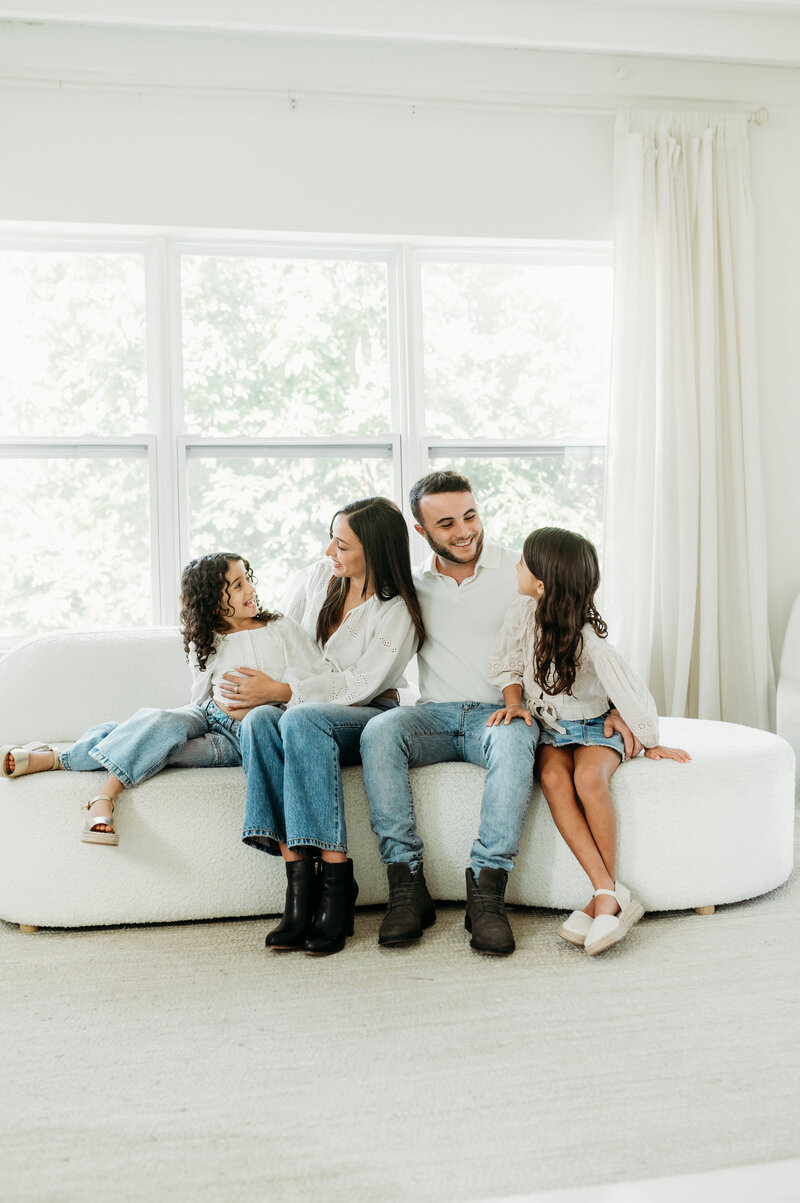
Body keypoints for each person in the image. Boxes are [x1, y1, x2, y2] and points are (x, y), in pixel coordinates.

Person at [360, 470, 638, 957]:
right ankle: (406, 886)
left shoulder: (524, 571)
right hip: (435, 716)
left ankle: (487, 894)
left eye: (470, 515)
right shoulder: (410, 586)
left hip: (501, 716)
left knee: (514, 738)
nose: (464, 531)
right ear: (422, 532)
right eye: (446, 524)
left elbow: (585, 637)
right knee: (380, 731)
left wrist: (617, 708)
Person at [0, 553, 330, 846]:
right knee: (160, 724)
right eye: (238, 585)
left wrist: (275, 689)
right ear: (214, 602)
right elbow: (201, 692)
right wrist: (187, 722)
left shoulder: (280, 628)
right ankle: (104, 797)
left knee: (164, 748)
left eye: (248, 580)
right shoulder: (208, 639)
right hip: (208, 714)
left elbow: (319, 675)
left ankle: (59, 758)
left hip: (244, 739)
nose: (251, 590)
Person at [219, 496, 425, 957]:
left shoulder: (398, 611)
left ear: (374, 550)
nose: (331, 550)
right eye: (332, 538)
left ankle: (335, 884)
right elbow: (278, 633)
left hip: (366, 713)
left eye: (343, 544)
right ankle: (299, 889)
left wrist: (282, 691)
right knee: (258, 724)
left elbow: (359, 684)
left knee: (302, 717)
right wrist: (254, 689)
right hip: (299, 713)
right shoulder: (318, 578)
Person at [487, 526, 690, 955]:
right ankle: (608, 892)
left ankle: (603, 900)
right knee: (554, 780)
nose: (517, 566)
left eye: (523, 562)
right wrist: (515, 703)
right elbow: (506, 664)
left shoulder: (588, 639)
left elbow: (629, 689)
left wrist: (650, 738)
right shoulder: (520, 614)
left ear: (541, 584)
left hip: (596, 726)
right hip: (550, 730)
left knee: (589, 780)